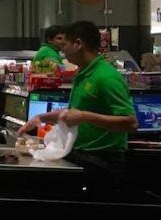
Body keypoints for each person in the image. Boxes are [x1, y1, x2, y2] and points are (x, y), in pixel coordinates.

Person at [20, 21, 136, 194]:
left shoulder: (106, 77)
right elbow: (74, 112)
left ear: (78, 44)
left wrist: (85, 117)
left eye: (65, 44)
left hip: (102, 162)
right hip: (82, 156)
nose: (62, 50)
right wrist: (42, 118)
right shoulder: (83, 73)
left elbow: (130, 123)